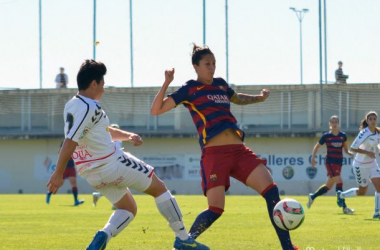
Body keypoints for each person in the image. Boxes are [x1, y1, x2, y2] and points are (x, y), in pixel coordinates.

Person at [47, 59, 209, 250]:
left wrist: (128, 136)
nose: (104, 89)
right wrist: (58, 173)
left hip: (91, 173)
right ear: (94, 84)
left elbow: (102, 131)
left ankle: (103, 235)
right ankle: (183, 238)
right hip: (111, 164)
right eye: (102, 84)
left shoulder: (72, 105)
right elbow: (70, 141)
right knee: (159, 188)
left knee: (128, 208)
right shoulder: (90, 107)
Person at [150, 44, 299, 250]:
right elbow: (156, 110)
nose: (212, 67)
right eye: (207, 64)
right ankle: (184, 241)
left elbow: (237, 98)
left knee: (271, 192)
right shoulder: (189, 89)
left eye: (214, 63)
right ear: (196, 66)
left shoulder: (221, 84)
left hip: (239, 151)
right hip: (215, 155)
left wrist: (259, 98)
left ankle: (288, 247)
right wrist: (167, 82)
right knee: (216, 209)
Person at [307, 115, 354, 214]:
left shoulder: (343, 136)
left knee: (328, 186)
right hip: (330, 162)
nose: (334, 124)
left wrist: (349, 153)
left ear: (339, 123)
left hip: (339, 162)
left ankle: (312, 197)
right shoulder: (326, 136)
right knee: (339, 182)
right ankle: (344, 207)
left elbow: (345, 148)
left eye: (336, 122)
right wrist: (313, 157)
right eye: (332, 122)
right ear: (330, 124)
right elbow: (317, 146)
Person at [337, 111, 380, 219]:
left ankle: (376, 213)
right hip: (360, 165)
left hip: (372, 164)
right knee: (362, 191)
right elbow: (352, 148)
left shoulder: (378, 132)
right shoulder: (364, 133)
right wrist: (367, 153)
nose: (373, 121)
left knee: (379, 187)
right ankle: (341, 195)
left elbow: (378, 143)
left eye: (375, 118)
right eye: (370, 119)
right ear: (367, 121)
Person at [92, 124, 122, 209]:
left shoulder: (114, 140)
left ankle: (98, 195)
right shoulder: (112, 141)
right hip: (112, 164)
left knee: (117, 184)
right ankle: (115, 204)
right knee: (119, 183)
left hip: (113, 164)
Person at [46, 141, 85, 206]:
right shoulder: (64, 145)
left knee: (73, 183)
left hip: (71, 167)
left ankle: (76, 201)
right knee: (58, 184)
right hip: (64, 168)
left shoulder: (73, 141)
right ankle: (49, 193)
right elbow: (63, 155)